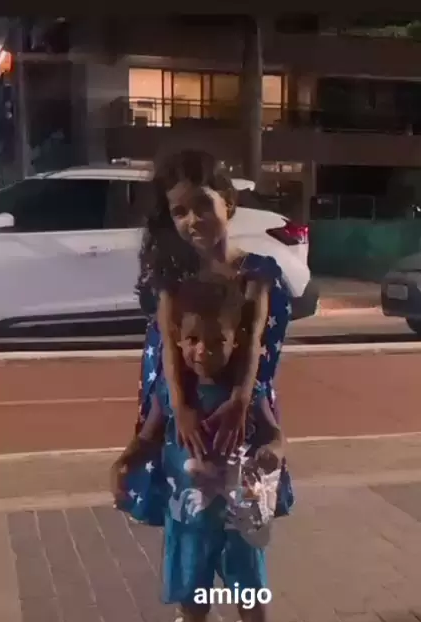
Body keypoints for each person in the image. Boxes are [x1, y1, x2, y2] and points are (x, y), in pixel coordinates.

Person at [112, 278, 285, 622]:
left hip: (239, 515)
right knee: (192, 579)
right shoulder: (172, 395)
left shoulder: (248, 392)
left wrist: (271, 454)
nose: (202, 351)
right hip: (188, 515)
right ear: (177, 338)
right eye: (192, 340)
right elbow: (149, 437)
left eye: (216, 341)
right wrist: (123, 465)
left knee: (248, 579)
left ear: (236, 339)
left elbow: (275, 437)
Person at [118, 148, 293, 528]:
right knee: (187, 511)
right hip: (187, 411)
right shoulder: (173, 277)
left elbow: (257, 341)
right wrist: (181, 407)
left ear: (228, 201)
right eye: (179, 212)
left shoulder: (256, 273)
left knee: (241, 518)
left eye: (202, 205)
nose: (193, 220)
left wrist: (241, 401)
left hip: (238, 409)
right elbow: (168, 346)